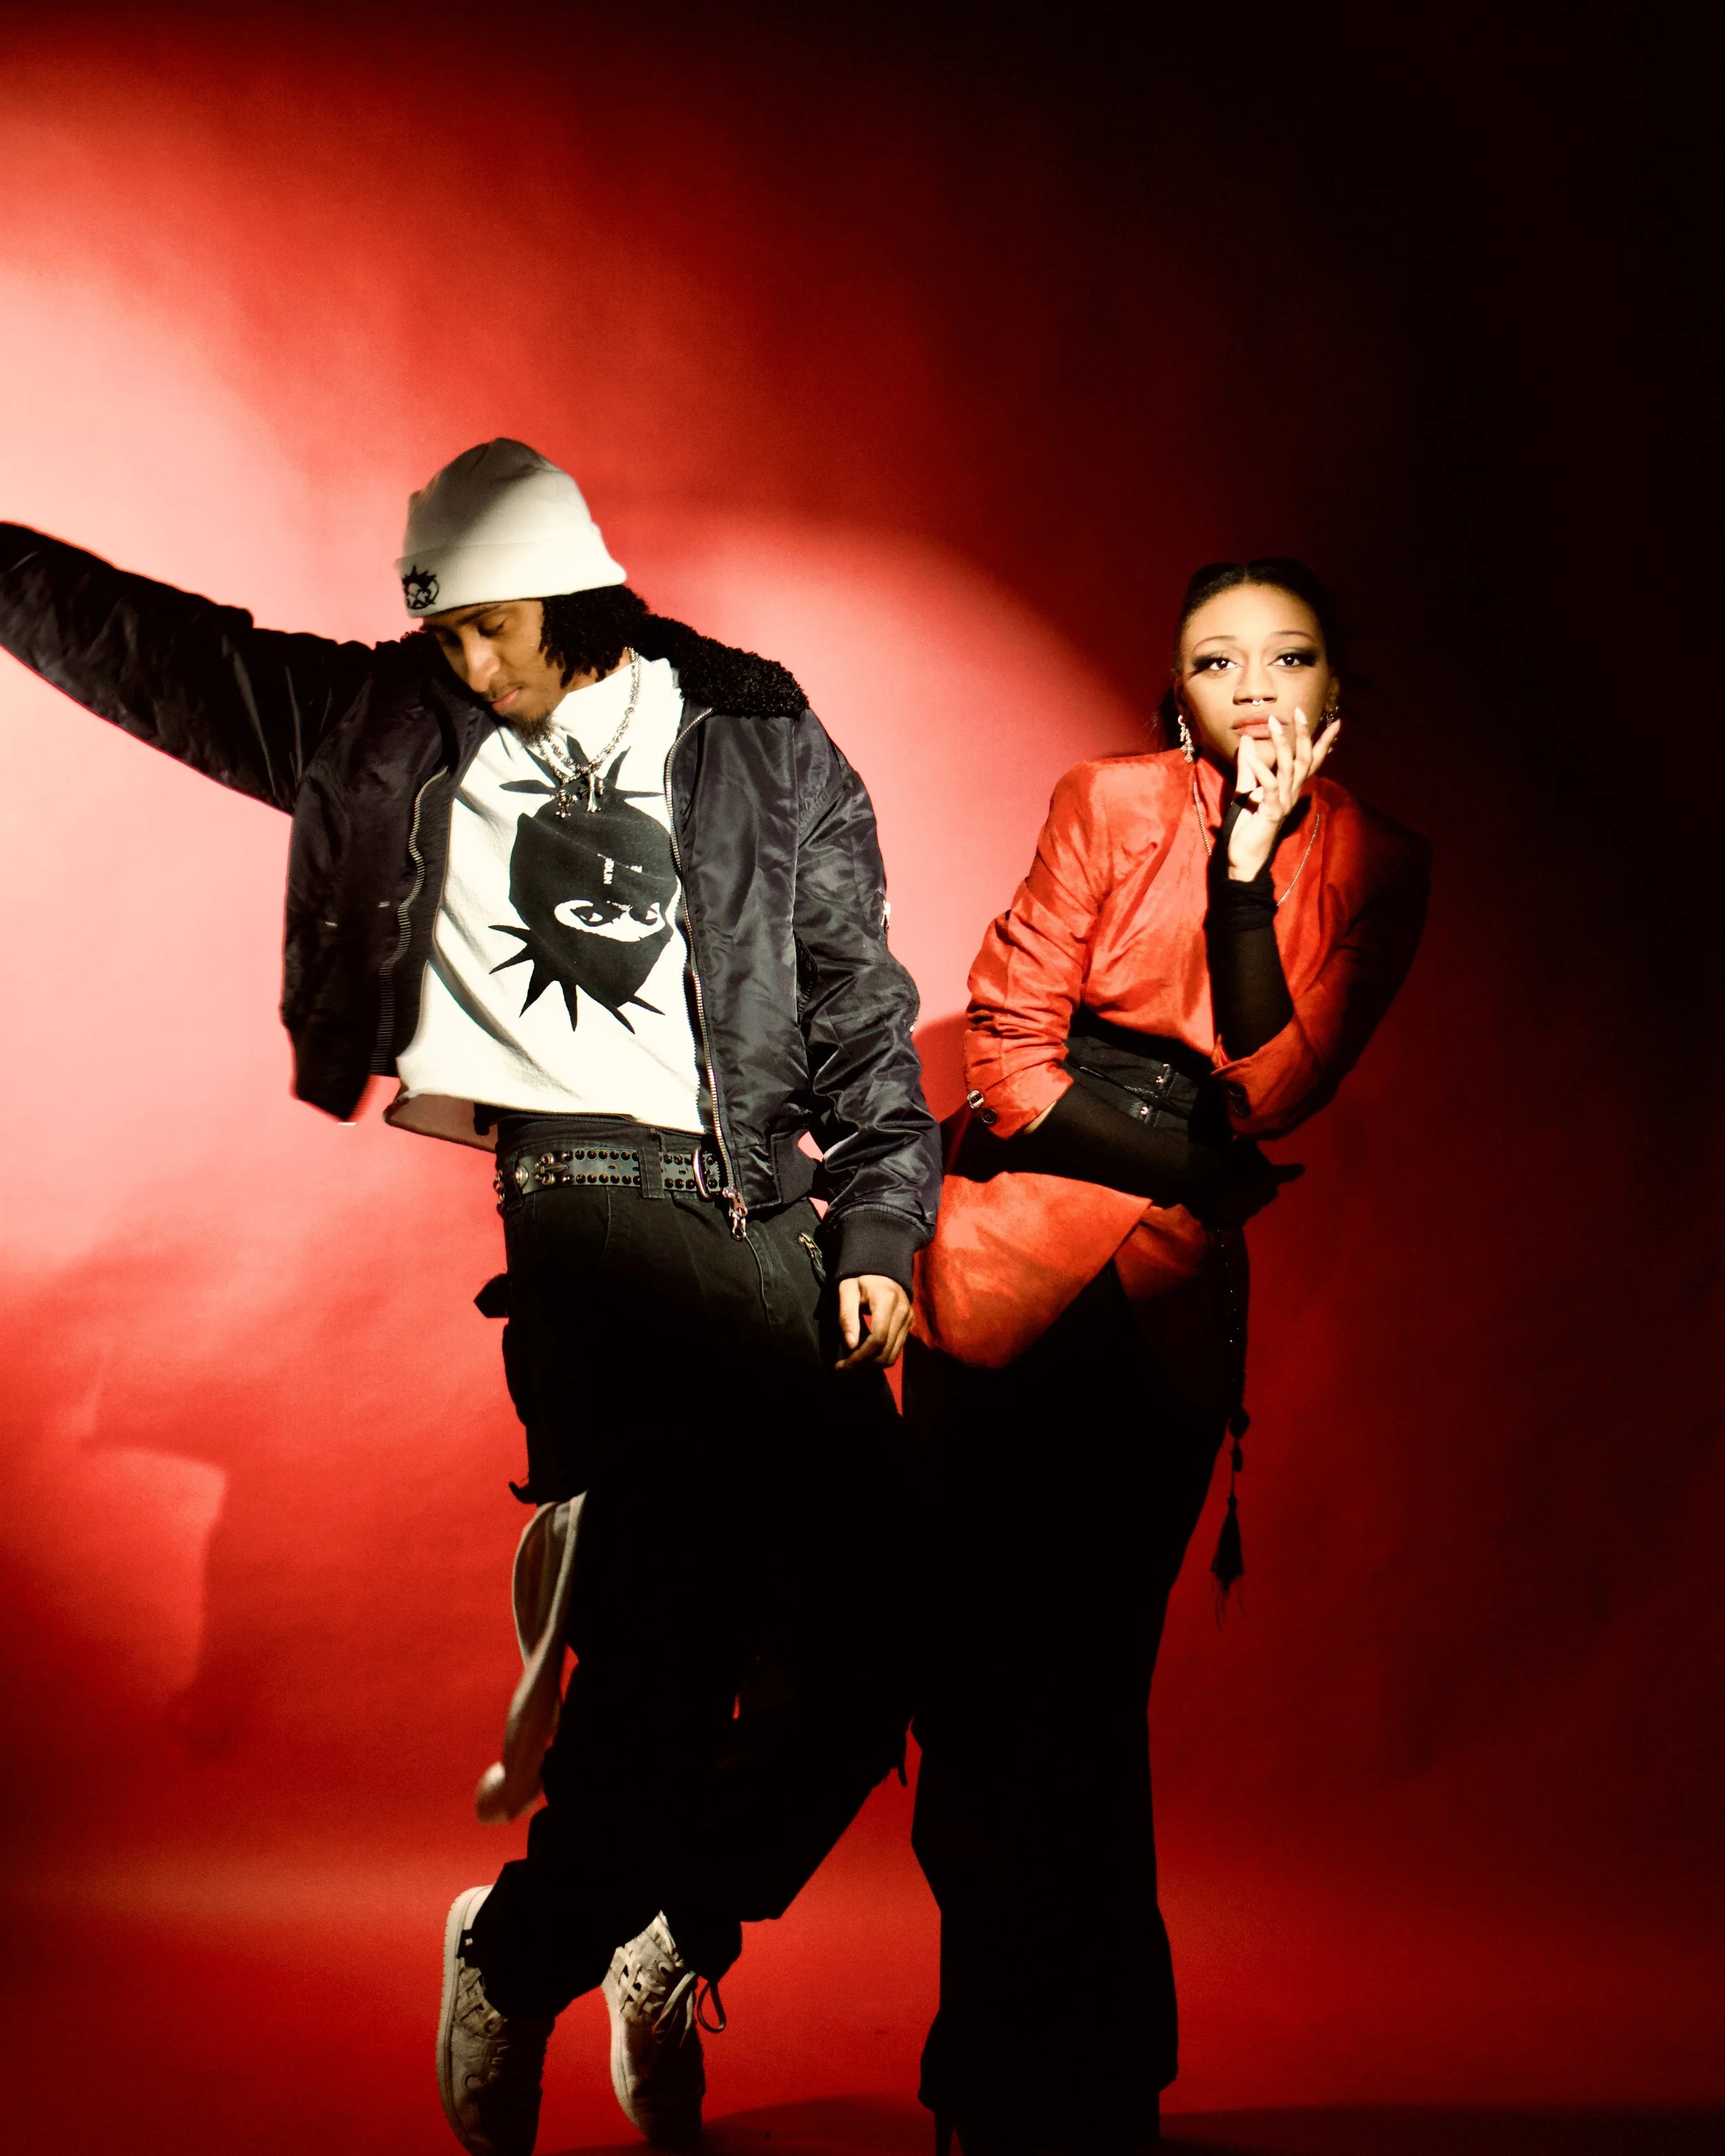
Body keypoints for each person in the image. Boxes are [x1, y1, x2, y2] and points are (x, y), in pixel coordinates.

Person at [0, 439, 941, 2156]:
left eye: (494, 630)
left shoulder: (757, 730)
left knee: (881, 1640)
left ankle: (653, 1931)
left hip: (762, 1214)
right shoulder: (385, 723)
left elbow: (861, 1006)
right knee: (664, 1664)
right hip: (586, 1216)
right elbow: (158, 649)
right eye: (439, 635)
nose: (470, 667)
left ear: (576, 592)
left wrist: (878, 1232)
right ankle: (524, 1963)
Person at [905, 560, 1430, 2156]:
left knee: (1080, 1696)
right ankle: (1022, 2071)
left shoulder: (1382, 864)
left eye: (1288, 654)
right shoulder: (1108, 799)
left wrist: (1251, 873)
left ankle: (1075, 2078)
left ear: (1336, 688)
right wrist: (1176, 1152)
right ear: (1173, 693)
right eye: (1216, 659)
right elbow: (1001, 1056)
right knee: (976, 1695)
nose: (1253, 681)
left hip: (1155, 1323)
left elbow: (1273, 1090)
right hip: (995, 1285)